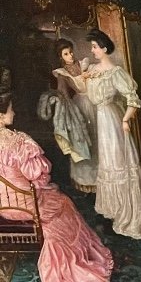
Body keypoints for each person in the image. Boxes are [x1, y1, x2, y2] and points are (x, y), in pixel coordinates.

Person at [0, 92, 113, 282]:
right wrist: (37, 184)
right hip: (25, 205)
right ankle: (74, 265)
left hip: (3, 206)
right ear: (1, 115)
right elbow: (38, 175)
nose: (13, 112)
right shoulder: (19, 141)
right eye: (10, 109)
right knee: (63, 203)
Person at [84, 29, 141, 240]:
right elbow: (86, 92)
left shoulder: (116, 72)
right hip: (100, 121)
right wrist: (84, 76)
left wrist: (125, 119)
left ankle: (128, 213)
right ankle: (113, 209)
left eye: (95, 47)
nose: (92, 50)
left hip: (113, 122)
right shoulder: (92, 69)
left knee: (119, 163)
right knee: (107, 163)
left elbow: (133, 99)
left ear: (105, 48)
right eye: (92, 47)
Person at [50, 38, 97, 192]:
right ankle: (86, 180)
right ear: (60, 57)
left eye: (71, 52)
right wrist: (65, 106)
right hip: (79, 106)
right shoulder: (62, 73)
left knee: (98, 140)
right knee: (83, 140)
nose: (70, 55)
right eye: (66, 54)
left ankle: (102, 179)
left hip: (94, 103)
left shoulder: (83, 64)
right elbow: (62, 92)